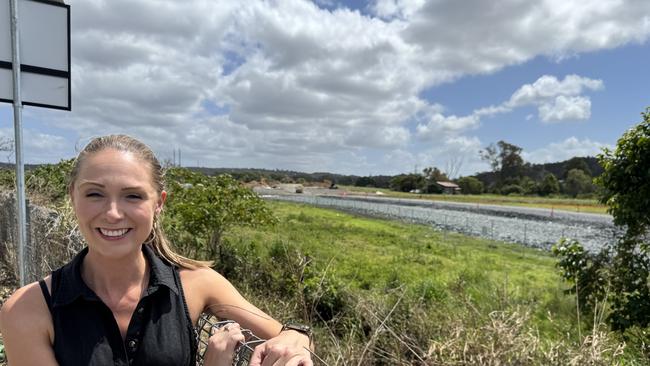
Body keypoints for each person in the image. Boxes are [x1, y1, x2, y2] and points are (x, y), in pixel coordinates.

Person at [0, 135, 313, 365]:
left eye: (133, 196)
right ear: (73, 197)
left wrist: (295, 338)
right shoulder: (28, 310)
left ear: (159, 203)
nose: (112, 213)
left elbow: (287, 335)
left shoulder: (197, 284)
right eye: (94, 193)